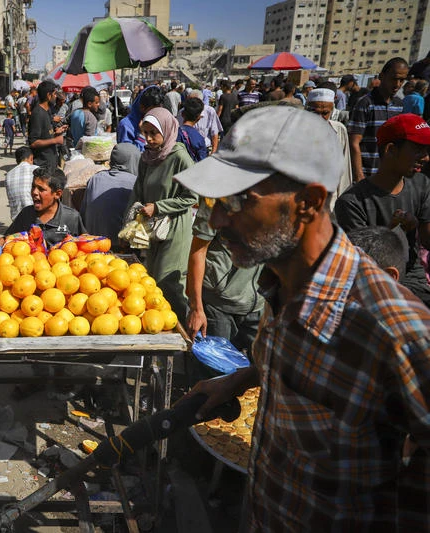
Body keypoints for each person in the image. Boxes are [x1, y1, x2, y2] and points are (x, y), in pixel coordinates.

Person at [174, 105, 430, 532]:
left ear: (309, 203)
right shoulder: (280, 288)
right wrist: (243, 378)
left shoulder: (397, 333)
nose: (218, 220)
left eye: (237, 201)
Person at [335, 113, 430, 308]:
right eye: (418, 150)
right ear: (390, 150)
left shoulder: (421, 185)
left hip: (414, 281)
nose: (426, 157)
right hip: (373, 288)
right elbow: (363, 265)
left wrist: (418, 226)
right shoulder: (352, 202)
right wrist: (391, 230)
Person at [125, 108, 197, 320]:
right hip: (152, 229)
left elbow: (192, 196)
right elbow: (138, 191)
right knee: (152, 281)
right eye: (145, 133)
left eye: (153, 133)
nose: (148, 138)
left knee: (169, 283)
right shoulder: (146, 157)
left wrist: (158, 207)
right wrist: (128, 223)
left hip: (174, 229)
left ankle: (182, 332)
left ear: (167, 130)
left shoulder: (180, 158)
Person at [185, 196, 264, 364]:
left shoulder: (271, 198)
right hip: (217, 306)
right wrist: (196, 308)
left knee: (259, 372)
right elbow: (198, 251)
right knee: (214, 375)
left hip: (258, 305)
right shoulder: (216, 198)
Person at [349, 57, 408, 182]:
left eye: (401, 80)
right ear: (382, 76)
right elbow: (354, 142)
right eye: (394, 79)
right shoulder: (365, 103)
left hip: (389, 175)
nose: (397, 84)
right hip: (368, 174)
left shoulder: (399, 105)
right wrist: (359, 176)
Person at [0, 166, 85, 247]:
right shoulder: (26, 214)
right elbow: (6, 239)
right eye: (33, 187)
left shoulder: (72, 218)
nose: (34, 192)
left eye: (41, 189)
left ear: (57, 194)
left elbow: (86, 244)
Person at [80, 143, 139, 246]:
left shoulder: (95, 179)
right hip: (119, 245)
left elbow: (83, 212)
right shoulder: (135, 183)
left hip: (91, 243)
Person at [305, 88, 354, 209]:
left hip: (331, 202)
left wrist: (343, 202)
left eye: (325, 113)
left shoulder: (339, 130)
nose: (320, 118)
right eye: (315, 113)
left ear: (331, 111)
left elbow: (344, 171)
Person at [28, 80, 67, 172]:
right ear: (48, 95)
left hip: (50, 161)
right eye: (54, 94)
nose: (55, 96)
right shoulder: (37, 113)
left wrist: (56, 132)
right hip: (43, 164)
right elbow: (33, 142)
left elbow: (45, 134)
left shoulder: (47, 111)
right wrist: (55, 140)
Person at [117, 86, 164, 151]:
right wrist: (141, 135)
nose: (155, 115)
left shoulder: (158, 121)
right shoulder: (126, 125)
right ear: (142, 108)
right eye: (152, 111)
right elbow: (128, 156)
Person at [179, 90, 222, 155]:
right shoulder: (182, 112)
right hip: (186, 150)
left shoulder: (210, 111)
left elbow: (214, 133)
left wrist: (213, 151)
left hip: (204, 149)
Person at [5, 146, 37, 221]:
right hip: (34, 216)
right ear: (31, 158)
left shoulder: (8, 175)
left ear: (17, 160)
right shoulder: (36, 169)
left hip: (16, 219)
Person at [177, 98, 208, 162]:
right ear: (199, 118)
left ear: (182, 114)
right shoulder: (199, 138)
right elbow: (202, 162)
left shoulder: (173, 134)